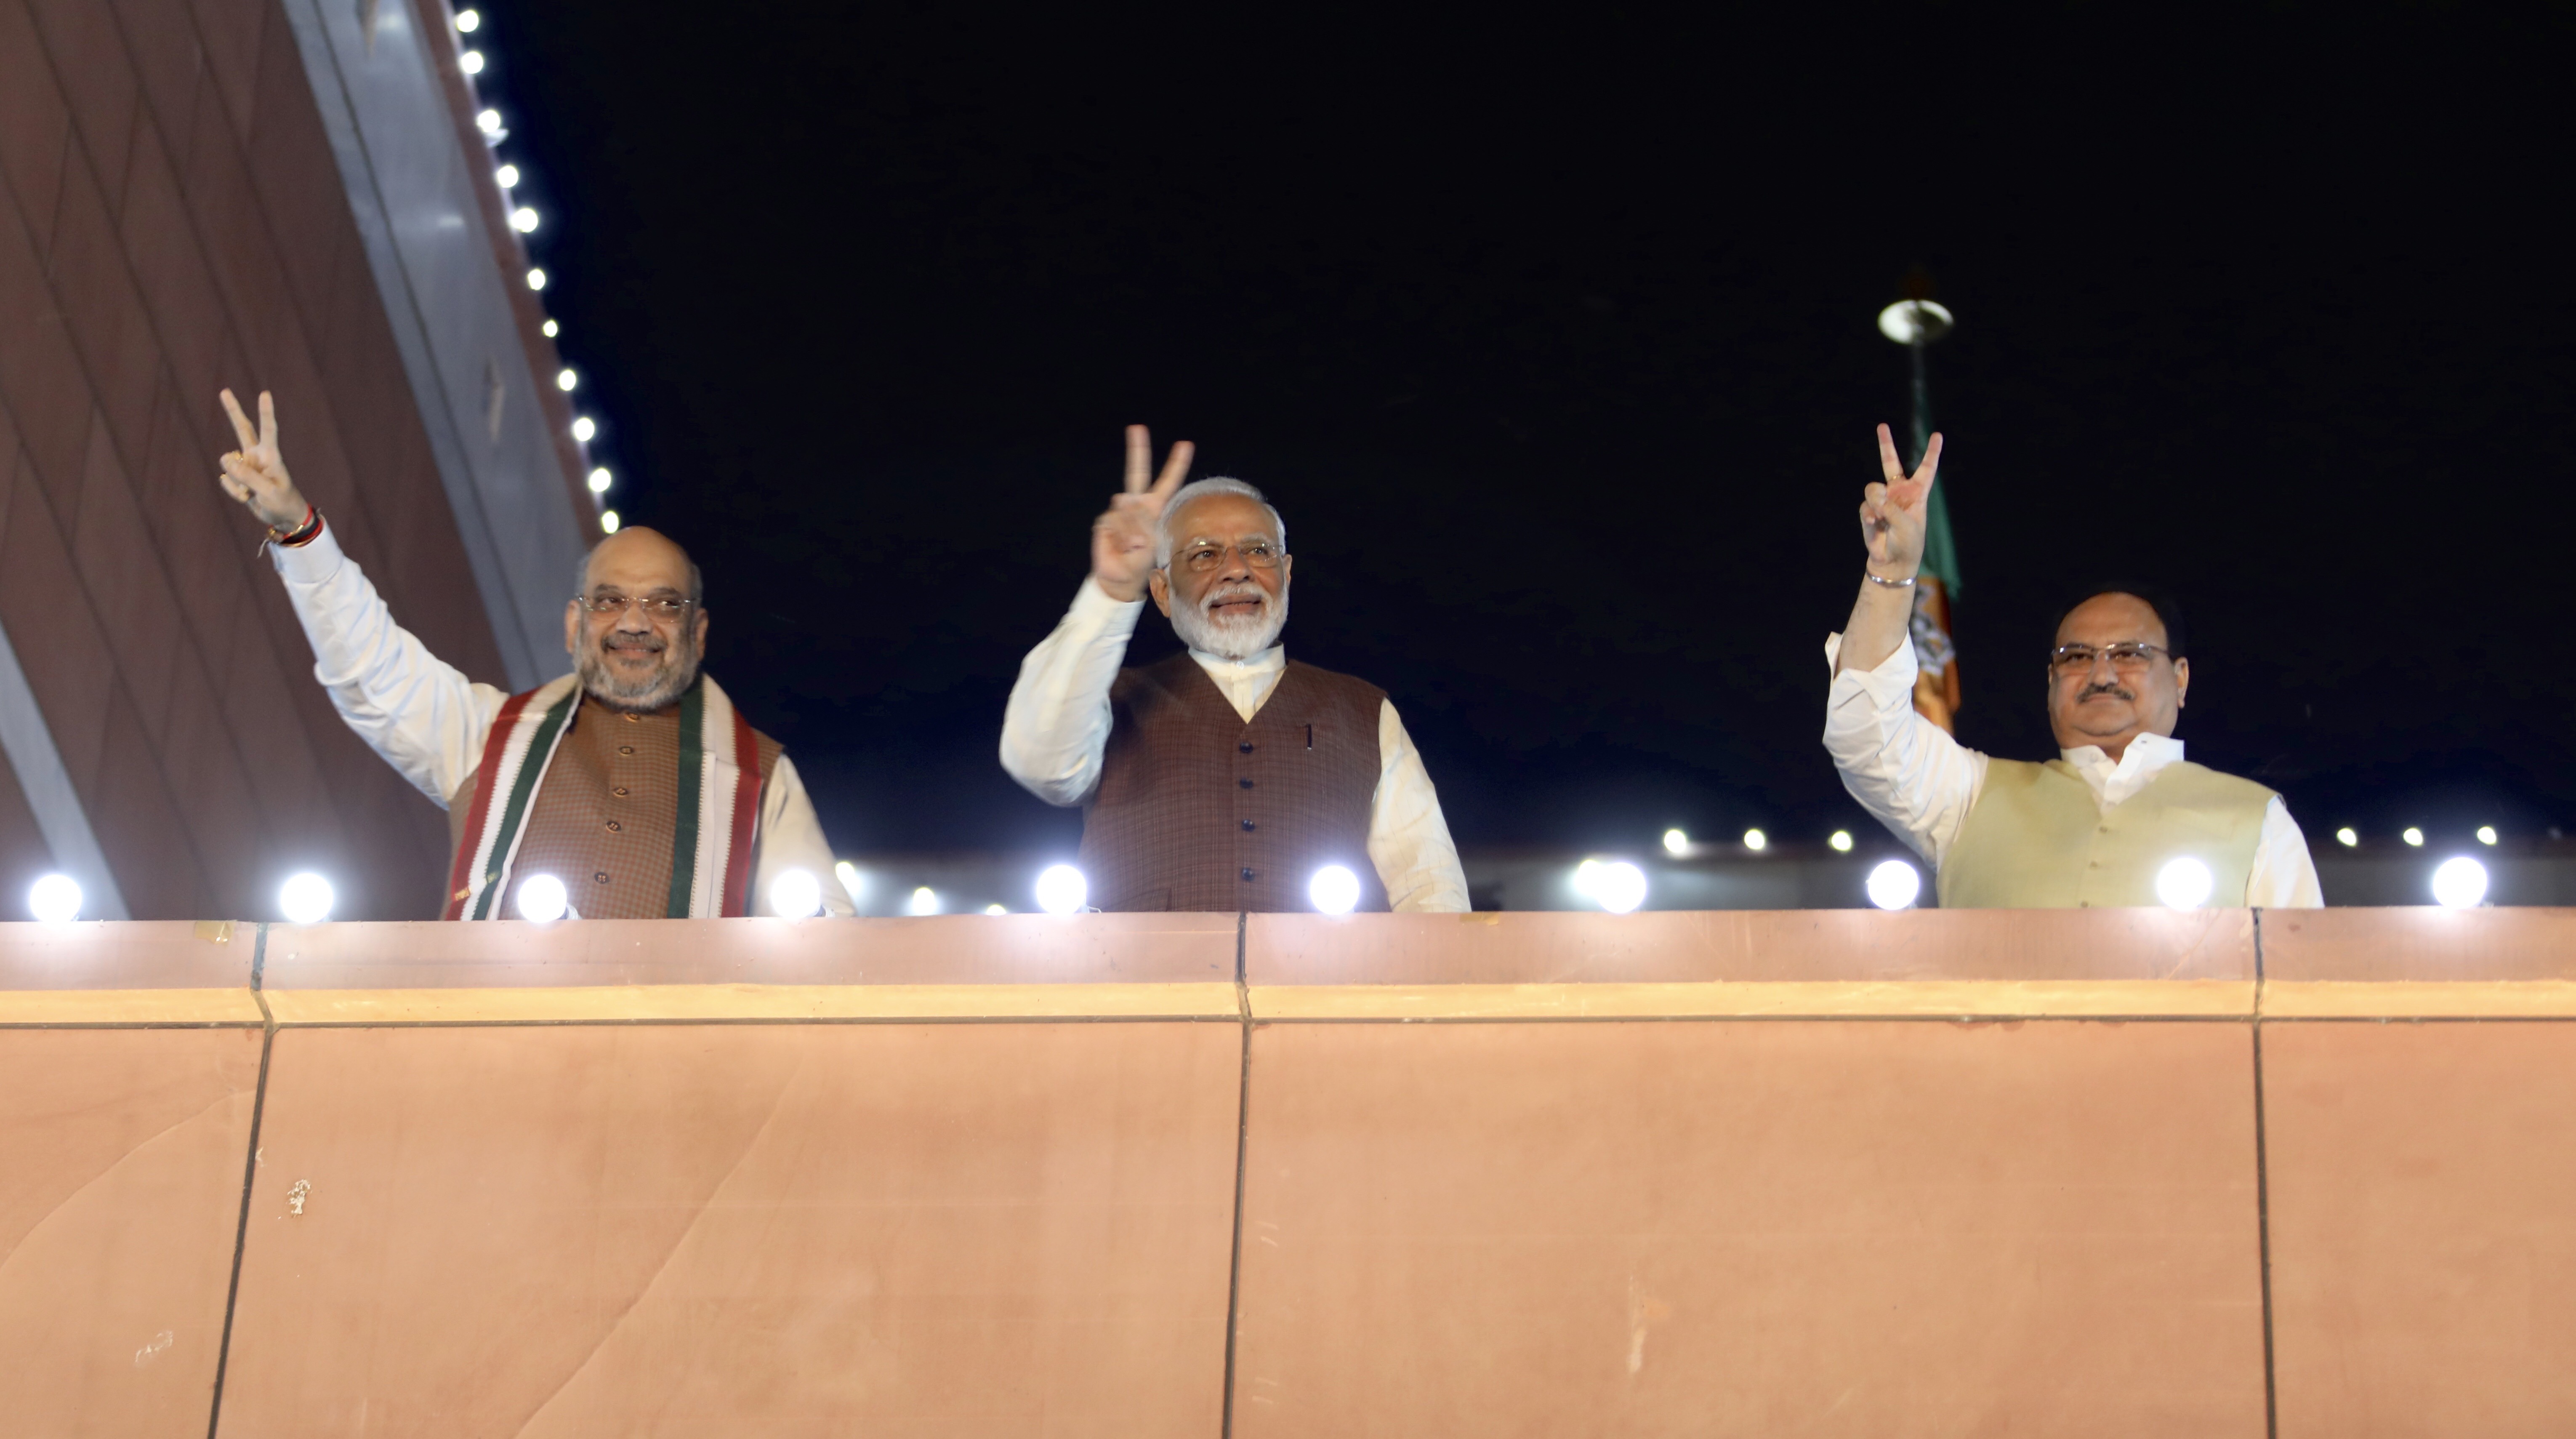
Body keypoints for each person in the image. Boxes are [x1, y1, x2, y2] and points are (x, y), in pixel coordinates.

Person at [213, 389, 850, 919]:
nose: (635, 622)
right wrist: (301, 532)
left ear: (700, 632)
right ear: (574, 624)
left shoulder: (761, 776)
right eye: (609, 601)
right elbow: (371, 671)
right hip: (489, 1054)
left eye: (664, 604)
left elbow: (828, 956)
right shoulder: (489, 735)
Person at [1823, 424, 2322, 908]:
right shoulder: (1970, 797)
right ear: (2050, 682)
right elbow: (1867, 736)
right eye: (2077, 657)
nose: (2102, 675)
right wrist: (1891, 573)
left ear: (2182, 678)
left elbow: (2301, 984)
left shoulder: (2257, 820)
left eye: (2130, 654)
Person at [1001, 426, 1469, 912]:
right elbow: (1040, 761)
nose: (1237, 569)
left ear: (1287, 574)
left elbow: (1429, 886)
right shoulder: (1112, 698)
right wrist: (1112, 591)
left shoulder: (1365, 709)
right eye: (1205, 554)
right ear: (1162, 591)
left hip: (1323, 986)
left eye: (1258, 550)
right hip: (1145, 983)